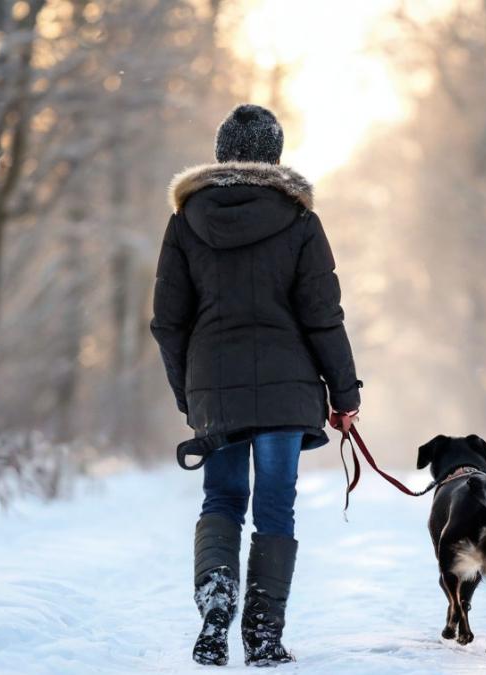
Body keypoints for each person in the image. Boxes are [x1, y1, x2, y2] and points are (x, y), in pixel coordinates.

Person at [151, 104, 361, 666]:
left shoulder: (185, 220)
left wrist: (188, 394)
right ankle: (263, 634)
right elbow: (323, 315)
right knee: (275, 508)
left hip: (213, 391)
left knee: (221, 498)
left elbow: (169, 321)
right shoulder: (298, 221)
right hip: (286, 391)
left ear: (221, 153)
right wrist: (345, 395)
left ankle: (216, 602)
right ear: (274, 154)